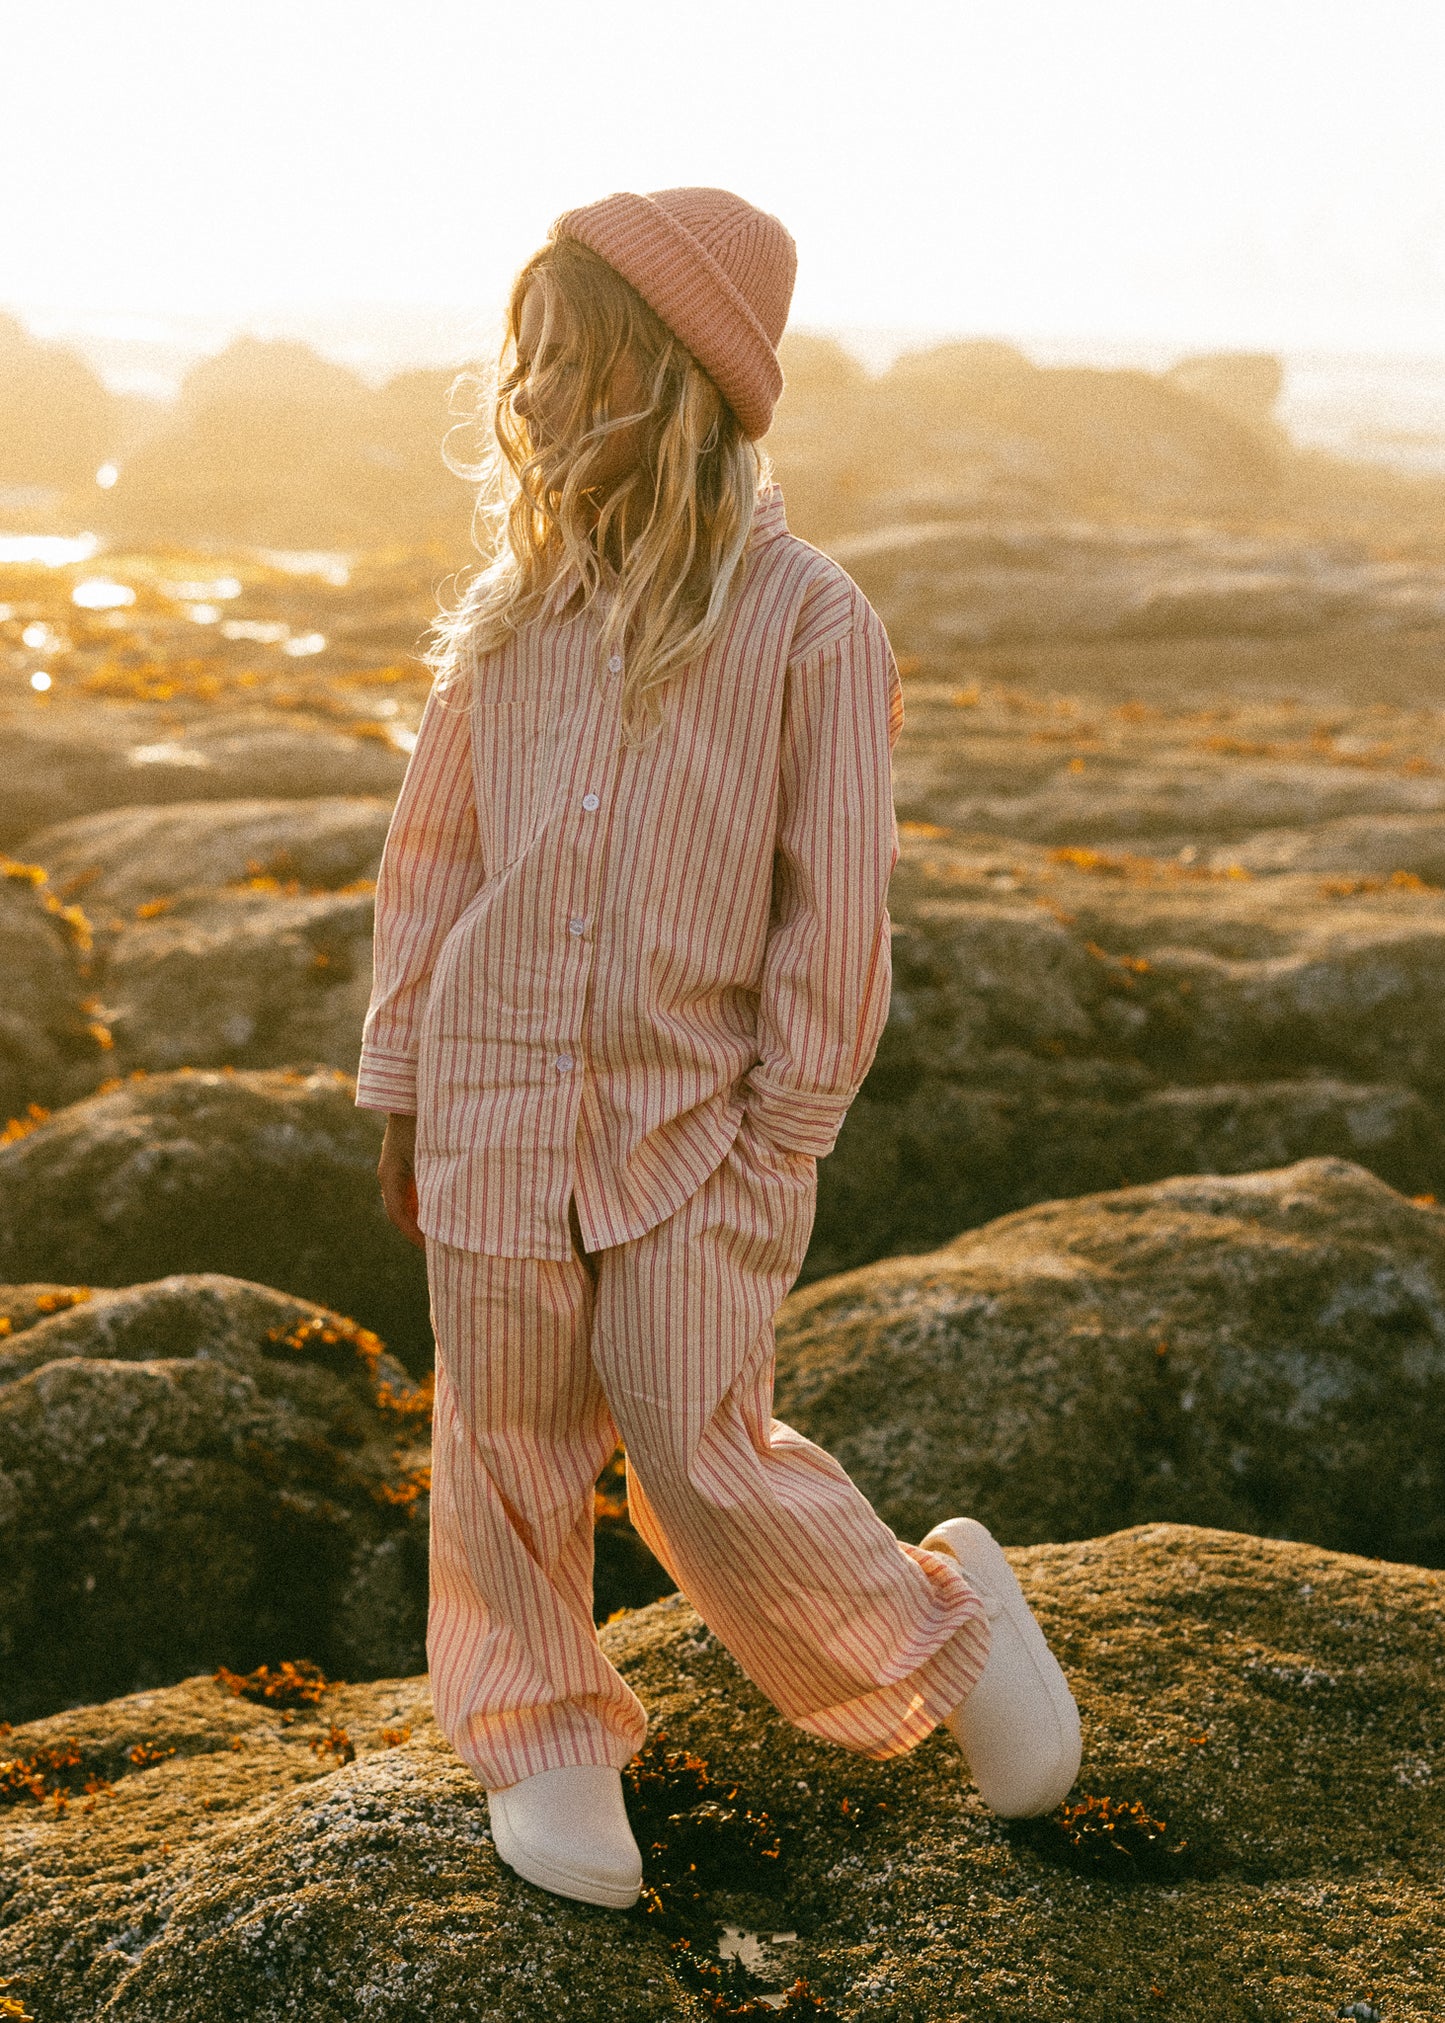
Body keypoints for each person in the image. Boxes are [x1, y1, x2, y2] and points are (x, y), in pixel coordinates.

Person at [357, 186, 1080, 1911]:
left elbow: (837, 912)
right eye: (515, 364)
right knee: (507, 1442)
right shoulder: (510, 614)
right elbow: (431, 859)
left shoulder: (807, 622)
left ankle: (948, 1633)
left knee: (695, 1441)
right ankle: (539, 1731)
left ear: (676, 377)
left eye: (565, 363)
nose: (523, 398)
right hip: (492, 1103)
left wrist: (785, 1132)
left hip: (707, 1127)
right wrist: (398, 1087)